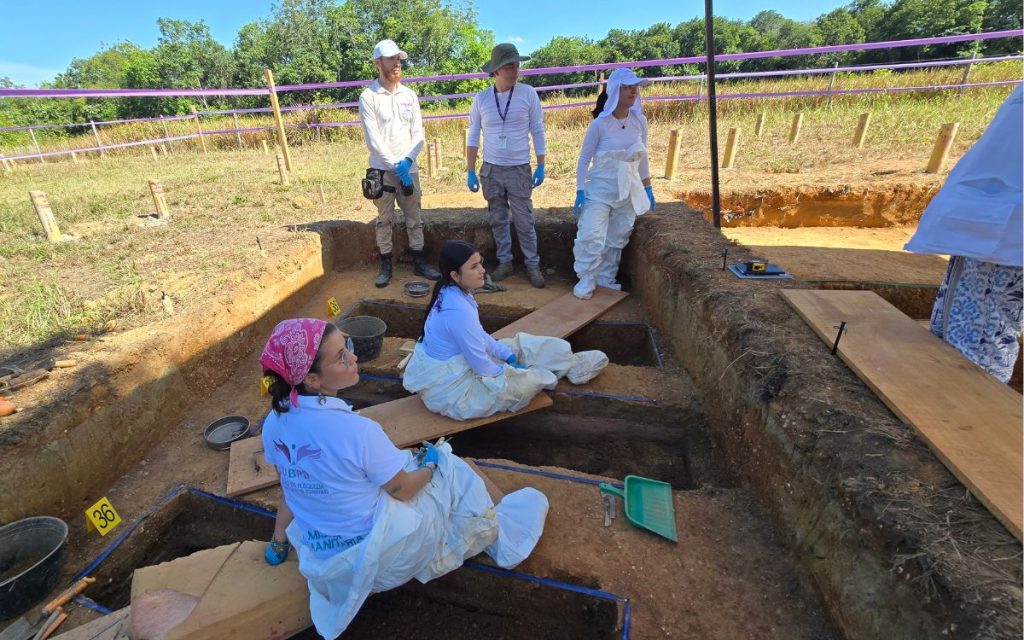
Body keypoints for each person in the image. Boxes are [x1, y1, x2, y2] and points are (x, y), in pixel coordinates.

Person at [259, 318, 548, 639]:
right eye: (341, 356)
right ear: (312, 378)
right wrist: (433, 464)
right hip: (383, 561)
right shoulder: (358, 431)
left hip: (329, 560)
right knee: (454, 469)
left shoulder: (274, 424)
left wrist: (279, 539)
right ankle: (501, 537)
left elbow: (290, 488)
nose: (353, 358)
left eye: (348, 346)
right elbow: (403, 490)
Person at [403, 240, 609, 420]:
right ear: (455, 275)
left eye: (480, 263)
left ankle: (571, 364)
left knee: (518, 344)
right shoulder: (457, 309)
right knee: (526, 383)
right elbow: (482, 366)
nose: (482, 270)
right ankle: (548, 374)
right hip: (453, 393)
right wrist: (509, 371)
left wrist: (508, 356)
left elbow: (480, 336)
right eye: (474, 267)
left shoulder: (452, 290)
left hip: (459, 366)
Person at [904, 84, 1023, 383]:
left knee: (981, 341)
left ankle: (968, 412)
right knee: (957, 324)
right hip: (994, 225)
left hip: (1004, 232)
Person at [358, 39, 441, 288]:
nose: (397, 63)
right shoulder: (368, 97)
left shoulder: (409, 95)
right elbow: (373, 139)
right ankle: (385, 265)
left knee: (414, 216)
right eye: (391, 59)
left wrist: (407, 161)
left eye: (399, 59)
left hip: (409, 169)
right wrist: (396, 165)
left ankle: (419, 260)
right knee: (384, 219)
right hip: (382, 171)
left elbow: (419, 134)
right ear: (378, 63)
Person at [466, 43, 547, 289]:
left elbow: (537, 129)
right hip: (492, 169)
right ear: (496, 70)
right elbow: (473, 135)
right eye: (510, 65)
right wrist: (470, 169)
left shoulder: (528, 94)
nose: (516, 70)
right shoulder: (481, 99)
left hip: (519, 168)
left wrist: (541, 163)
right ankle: (505, 262)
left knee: (525, 220)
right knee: (498, 219)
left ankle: (533, 265)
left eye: (517, 64)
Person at [571, 68, 657, 301]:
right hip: (600, 190)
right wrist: (580, 190)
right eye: (628, 87)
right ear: (615, 90)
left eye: (635, 87)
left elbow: (643, 157)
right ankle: (587, 277)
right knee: (591, 234)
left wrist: (648, 187)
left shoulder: (640, 122)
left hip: (627, 189)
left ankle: (606, 278)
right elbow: (584, 158)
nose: (633, 91)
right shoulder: (600, 125)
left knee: (618, 236)